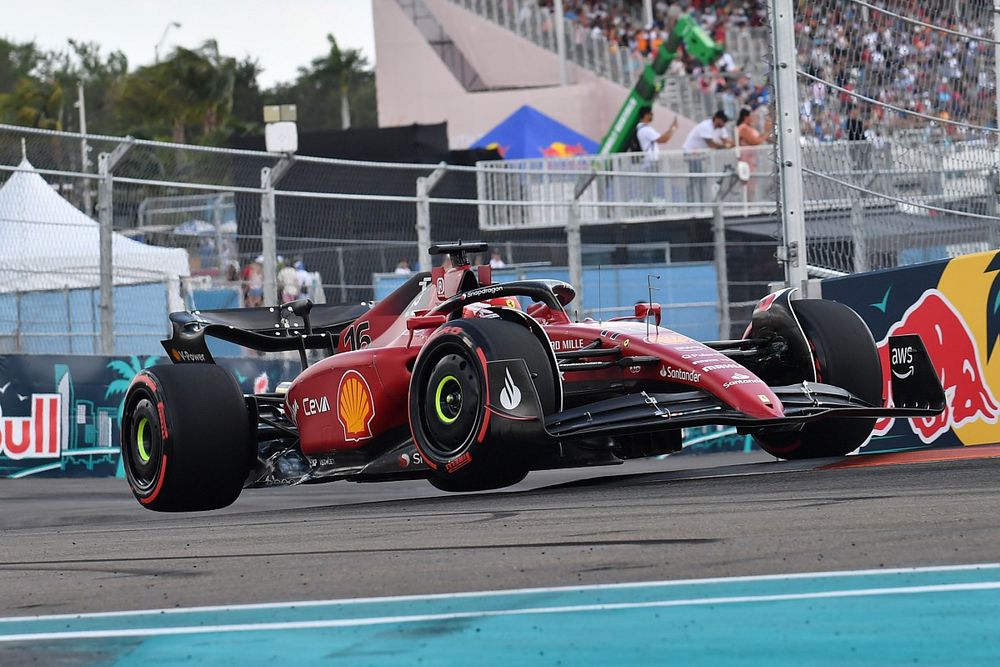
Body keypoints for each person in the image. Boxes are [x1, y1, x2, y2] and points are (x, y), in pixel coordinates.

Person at [682, 110, 733, 203]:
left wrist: (728, 144)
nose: (724, 123)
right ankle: (693, 201)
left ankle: (702, 200)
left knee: (702, 179)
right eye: (723, 121)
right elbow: (711, 144)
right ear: (717, 119)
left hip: (702, 156)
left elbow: (727, 141)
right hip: (692, 153)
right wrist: (724, 146)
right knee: (696, 179)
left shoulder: (721, 128)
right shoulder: (705, 126)